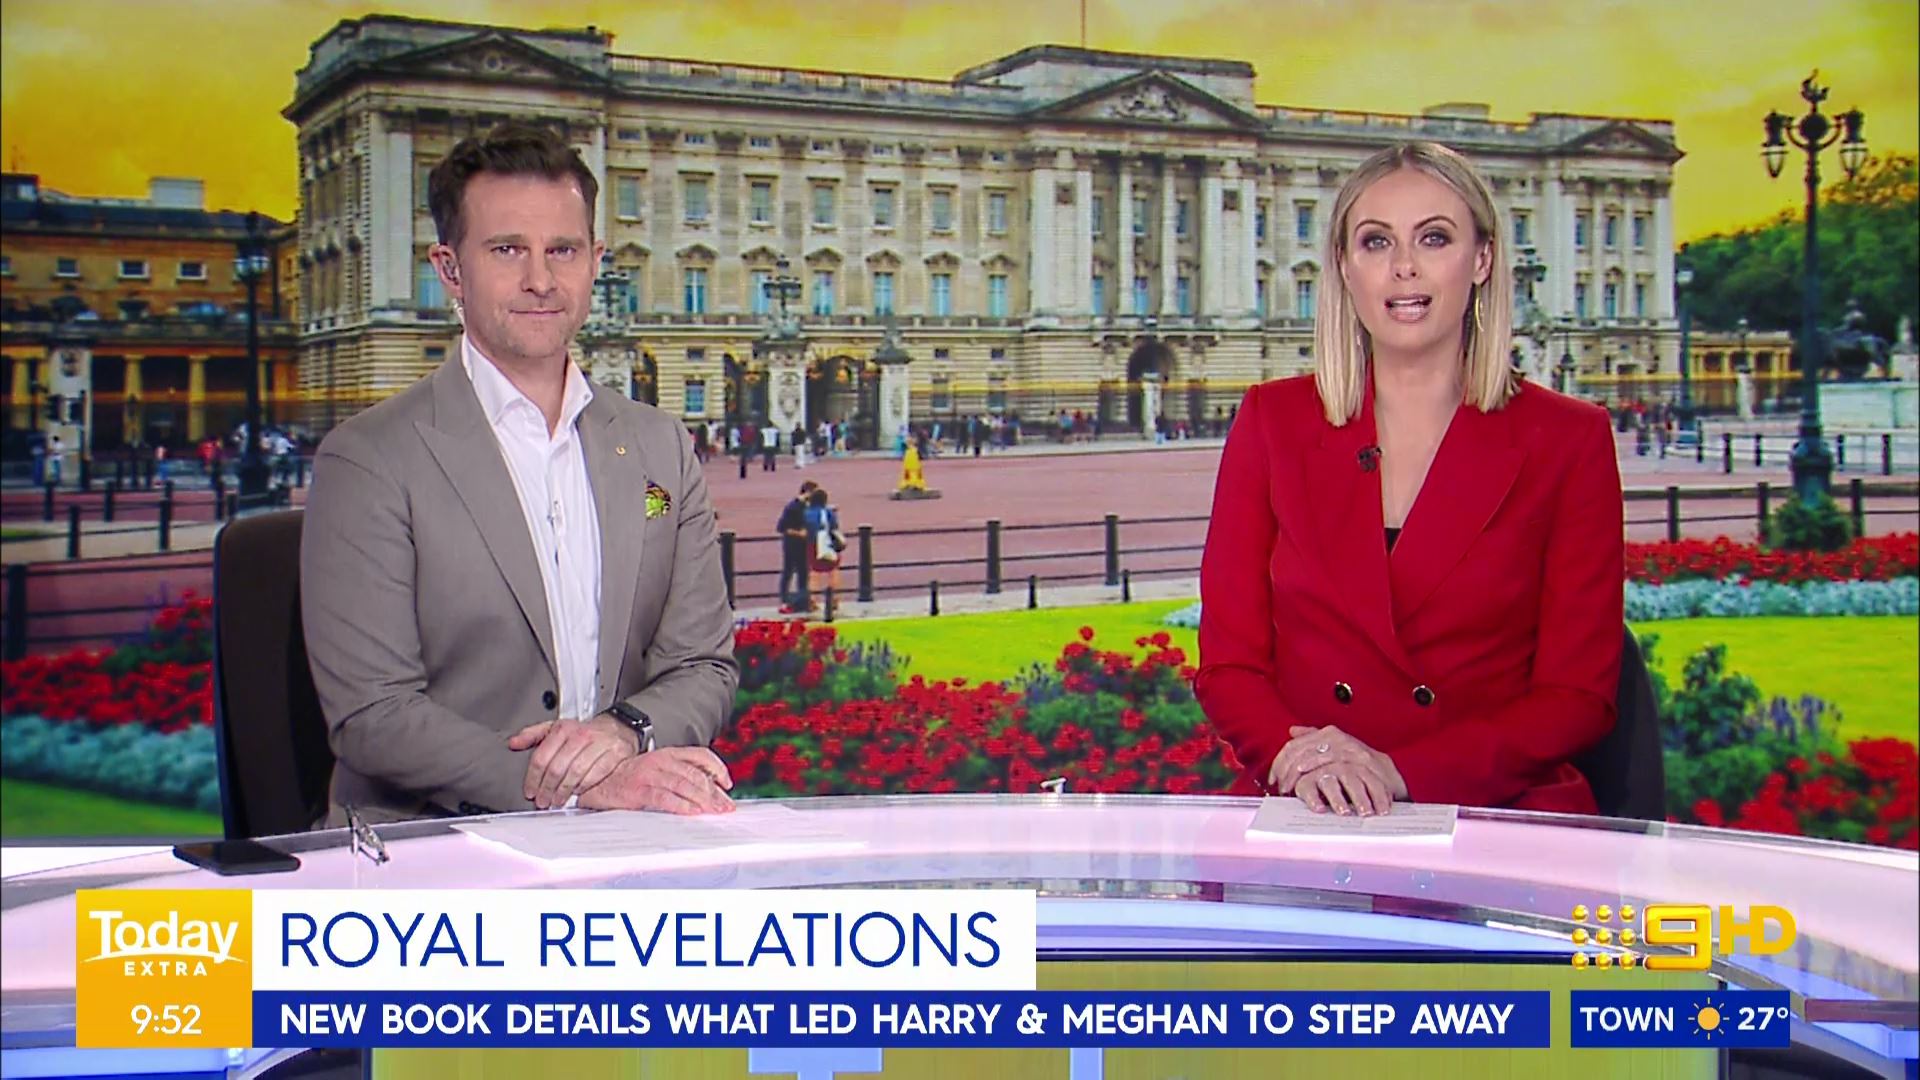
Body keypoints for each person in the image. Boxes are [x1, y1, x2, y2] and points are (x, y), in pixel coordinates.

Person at [301, 124, 738, 825]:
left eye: (562, 250)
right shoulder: (368, 458)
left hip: (624, 835)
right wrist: (576, 785)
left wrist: (625, 732)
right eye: (507, 250)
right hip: (435, 848)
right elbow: (372, 714)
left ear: (595, 262)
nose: (541, 279)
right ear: (450, 270)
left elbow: (703, 665)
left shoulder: (660, 445)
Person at [1195, 141, 1624, 817]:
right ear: (1344, 266)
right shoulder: (1271, 422)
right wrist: (1300, 759)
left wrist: (1401, 772)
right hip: (1313, 803)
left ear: (1481, 260)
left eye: (1434, 238)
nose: (1403, 267)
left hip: (1495, 809)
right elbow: (1229, 664)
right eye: (1376, 241)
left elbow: (1578, 695)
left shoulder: (1569, 438)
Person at [777, 480, 817, 613]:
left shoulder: (808, 507)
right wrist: (799, 533)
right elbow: (781, 527)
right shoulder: (792, 507)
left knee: (803, 572)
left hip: (804, 545)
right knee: (788, 571)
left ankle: (802, 601)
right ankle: (784, 599)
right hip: (792, 544)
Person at [805, 486, 844, 599]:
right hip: (828, 544)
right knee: (833, 571)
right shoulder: (829, 512)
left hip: (812, 545)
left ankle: (812, 599)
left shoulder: (806, 513)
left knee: (814, 573)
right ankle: (835, 598)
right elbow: (834, 527)